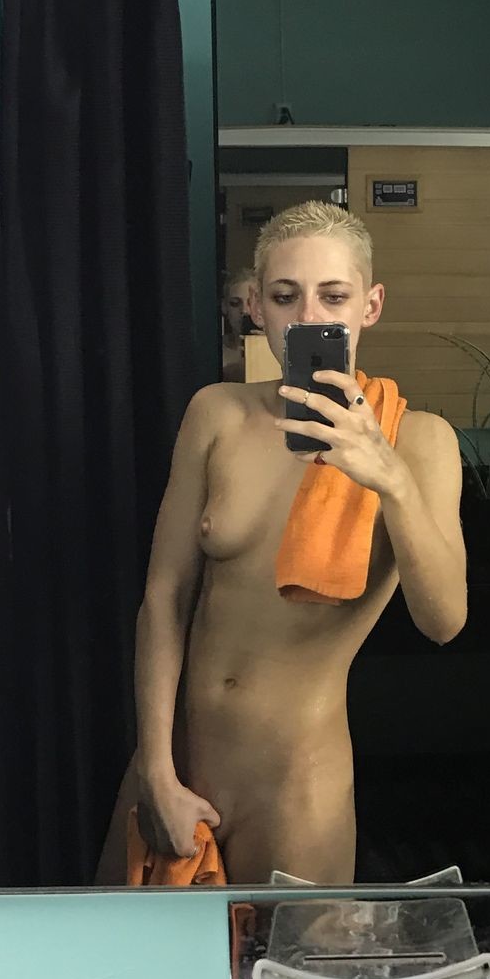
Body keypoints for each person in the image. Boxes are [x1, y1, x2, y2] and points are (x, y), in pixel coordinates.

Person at [97, 200, 467, 885]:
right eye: (285, 296)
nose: (308, 318)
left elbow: (444, 620)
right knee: (128, 951)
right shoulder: (216, 413)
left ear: (370, 306)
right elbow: (164, 596)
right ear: (255, 308)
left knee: (290, 959)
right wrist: (154, 767)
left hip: (298, 778)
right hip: (178, 754)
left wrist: (390, 479)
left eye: (334, 296)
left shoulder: (421, 441)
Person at [219, 265, 256, 382]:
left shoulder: (276, 349)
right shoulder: (214, 350)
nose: (244, 310)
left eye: (251, 303)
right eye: (235, 303)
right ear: (224, 307)